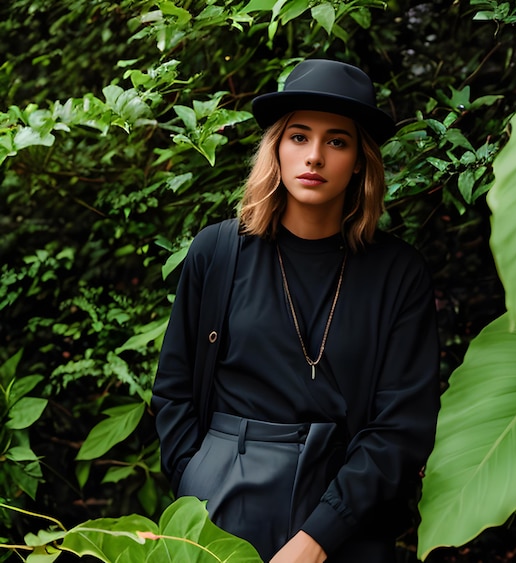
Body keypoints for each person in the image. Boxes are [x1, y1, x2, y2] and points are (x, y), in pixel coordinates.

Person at [152, 58, 440, 563]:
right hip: (220, 502)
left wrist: (319, 537)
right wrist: (192, 482)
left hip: (349, 509)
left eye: (337, 141)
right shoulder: (218, 252)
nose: (315, 157)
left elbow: (403, 425)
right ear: (276, 150)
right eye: (299, 137)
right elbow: (173, 388)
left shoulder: (398, 272)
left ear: (358, 161)